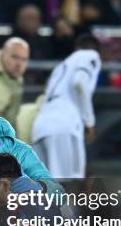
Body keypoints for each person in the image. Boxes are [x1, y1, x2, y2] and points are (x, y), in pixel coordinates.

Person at [31, 34, 101, 179]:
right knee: (69, 184)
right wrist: (90, 122)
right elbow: (79, 82)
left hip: (41, 124)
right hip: (64, 125)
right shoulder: (89, 54)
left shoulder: (61, 65)